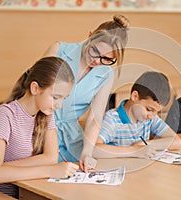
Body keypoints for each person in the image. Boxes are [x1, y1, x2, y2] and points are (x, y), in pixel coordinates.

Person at [0, 57, 79, 198]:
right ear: (35, 88)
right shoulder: (6, 114)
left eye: (64, 98)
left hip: (32, 192)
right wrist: (50, 171)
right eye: (56, 97)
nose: (60, 105)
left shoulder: (46, 114)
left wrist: (3, 169)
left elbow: (51, 158)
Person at [43, 14, 130, 170]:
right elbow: (34, 92)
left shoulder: (106, 74)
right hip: (41, 130)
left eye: (106, 58)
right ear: (90, 36)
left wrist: (87, 153)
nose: (97, 61)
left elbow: (95, 118)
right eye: (94, 51)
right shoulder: (59, 50)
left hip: (72, 140)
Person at [93, 71, 181, 159]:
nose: (152, 116)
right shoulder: (113, 119)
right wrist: (134, 150)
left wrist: (144, 144)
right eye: (149, 109)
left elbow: (177, 142)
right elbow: (94, 149)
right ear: (135, 96)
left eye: (157, 112)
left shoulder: (150, 119)